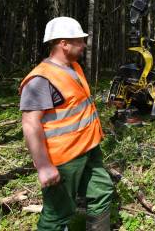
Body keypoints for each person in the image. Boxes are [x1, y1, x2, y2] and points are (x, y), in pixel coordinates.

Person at [20, 17, 113, 231]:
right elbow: (30, 123)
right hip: (64, 158)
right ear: (64, 43)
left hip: (89, 149)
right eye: (79, 41)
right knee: (57, 214)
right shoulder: (40, 79)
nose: (83, 45)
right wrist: (43, 166)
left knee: (101, 191)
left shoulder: (74, 68)